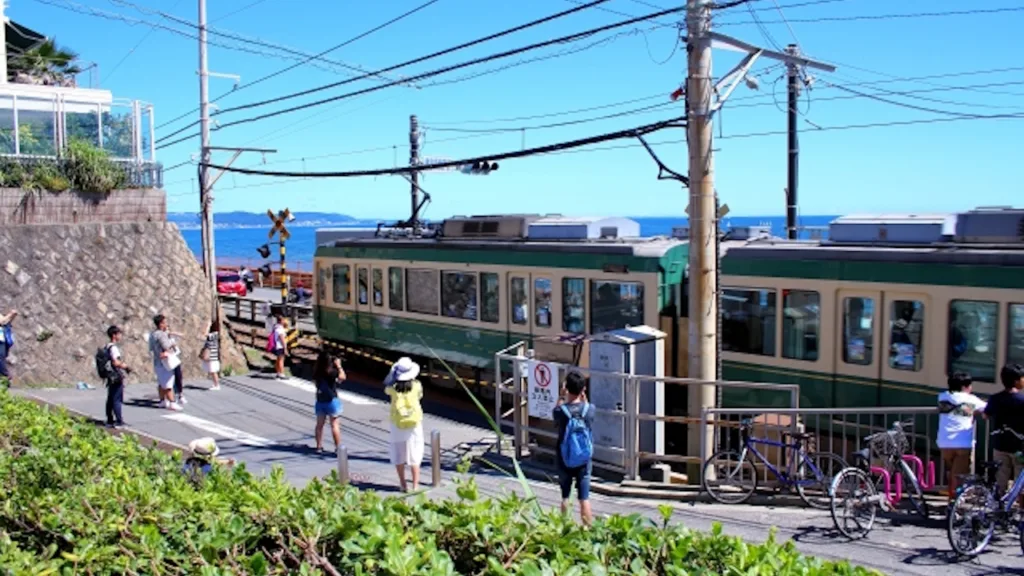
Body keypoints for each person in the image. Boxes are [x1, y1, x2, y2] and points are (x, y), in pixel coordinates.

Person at [553, 371, 595, 526]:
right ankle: (588, 530)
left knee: (565, 496)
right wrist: (584, 398)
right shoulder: (590, 409)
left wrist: (561, 396)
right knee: (584, 498)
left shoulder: (561, 411)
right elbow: (589, 414)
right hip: (584, 459)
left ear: (566, 388)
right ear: (583, 389)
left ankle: (565, 528)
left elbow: (555, 414)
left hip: (564, 458)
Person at [936, 371, 986, 500]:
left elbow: (957, 410)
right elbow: (985, 408)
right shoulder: (971, 399)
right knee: (959, 476)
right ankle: (955, 503)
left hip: (944, 442)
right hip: (962, 443)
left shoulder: (942, 397)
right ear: (964, 386)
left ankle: (952, 500)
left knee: (951, 472)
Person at [384, 357, 425, 492]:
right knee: (415, 454)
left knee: (399, 453)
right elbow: (419, 396)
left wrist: (392, 376)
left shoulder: (392, 389)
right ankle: (415, 485)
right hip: (414, 423)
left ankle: (403, 484)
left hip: (397, 423)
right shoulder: (417, 385)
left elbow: (386, 387)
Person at [984, 363, 1024, 499]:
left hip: (1000, 444)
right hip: (1019, 447)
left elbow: (985, 415)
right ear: (1016, 381)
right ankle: (1020, 508)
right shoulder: (1022, 400)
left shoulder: (995, 398)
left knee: (1000, 479)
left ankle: (998, 506)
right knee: (1020, 483)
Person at [312, 350, 345, 454]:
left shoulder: (316, 372)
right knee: (334, 425)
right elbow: (342, 377)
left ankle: (319, 446)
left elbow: (315, 383)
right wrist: (339, 366)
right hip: (332, 401)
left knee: (319, 425)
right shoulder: (332, 372)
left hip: (320, 400)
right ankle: (338, 448)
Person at [149, 315, 182, 411]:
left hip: (157, 361)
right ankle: (172, 402)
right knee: (168, 383)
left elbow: (151, 348)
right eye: (164, 322)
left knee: (161, 382)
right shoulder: (161, 334)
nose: (166, 324)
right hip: (165, 362)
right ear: (161, 324)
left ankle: (162, 400)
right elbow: (166, 346)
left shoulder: (152, 334)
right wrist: (173, 343)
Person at [103, 325, 133, 428]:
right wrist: (126, 367)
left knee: (110, 398)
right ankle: (119, 421)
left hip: (110, 375)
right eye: (119, 334)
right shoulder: (113, 348)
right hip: (116, 376)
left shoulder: (106, 346)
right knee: (117, 399)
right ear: (114, 335)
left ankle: (110, 420)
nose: (120, 336)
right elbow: (116, 362)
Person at [200, 320, 222, 391]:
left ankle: (217, 385)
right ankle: (215, 384)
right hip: (212, 356)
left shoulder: (214, 335)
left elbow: (205, 334)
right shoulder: (215, 335)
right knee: (212, 371)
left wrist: (208, 325)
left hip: (212, 356)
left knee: (213, 371)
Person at [0, 309, 16, 385]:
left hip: (1, 340)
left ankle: (5, 376)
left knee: (1, 358)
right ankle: (5, 375)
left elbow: (5, 322)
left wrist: (12, 316)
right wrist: (10, 314)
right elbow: (2, 321)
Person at [270, 312, 288, 380]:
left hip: (277, 346)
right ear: (281, 321)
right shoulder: (280, 329)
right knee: (281, 360)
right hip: (280, 346)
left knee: (278, 360)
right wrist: (285, 348)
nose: (285, 321)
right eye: (284, 320)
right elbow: (282, 339)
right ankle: (282, 374)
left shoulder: (276, 327)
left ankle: (278, 373)